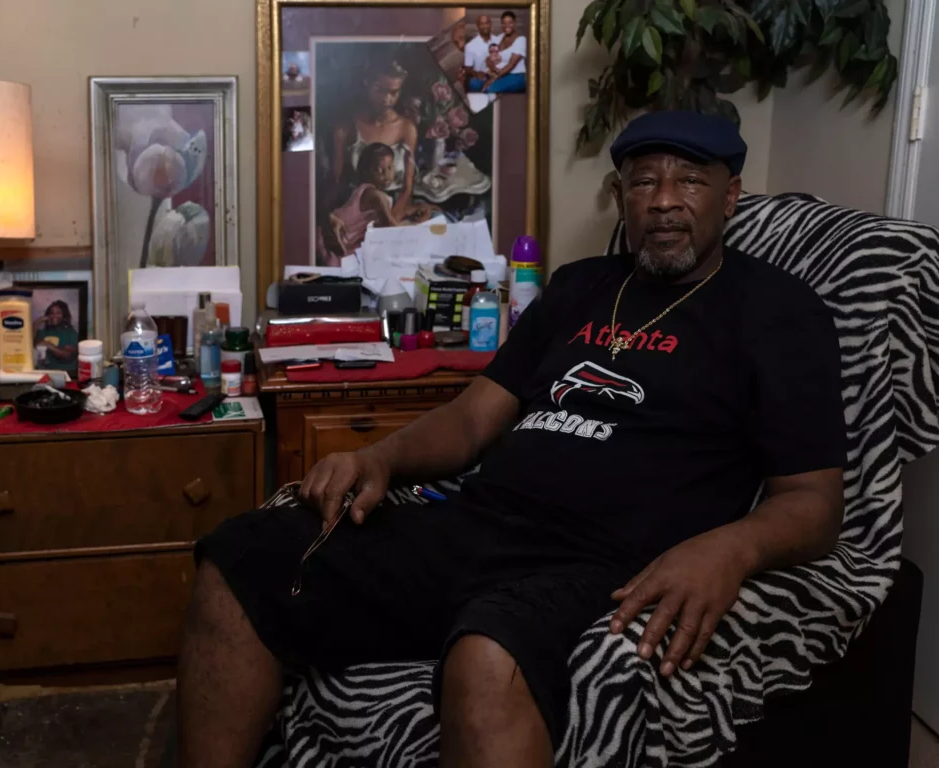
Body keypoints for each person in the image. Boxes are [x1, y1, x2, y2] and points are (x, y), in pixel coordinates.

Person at [178, 111, 847, 768]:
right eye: (644, 181)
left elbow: (814, 504)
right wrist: (380, 457)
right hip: (479, 525)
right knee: (241, 560)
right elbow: (471, 420)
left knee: (489, 658)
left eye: (691, 180)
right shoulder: (578, 287)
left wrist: (730, 549)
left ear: (731, 195)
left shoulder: (778, 312)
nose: (665, 201)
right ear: (621, 198)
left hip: (606, 562)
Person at [323, 59, 418, 261]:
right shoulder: (346, 127)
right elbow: (336, 182)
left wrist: (391, 221)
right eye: (380, 90)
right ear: (367, 83)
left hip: (393, 209)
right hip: (358, 209)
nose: (387, 99)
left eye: (394, 92)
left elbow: (407, 188)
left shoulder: (406, 128)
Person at [317, 143, 439, 263]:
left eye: (390, 168)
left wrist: (418, 209)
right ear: (366, 172)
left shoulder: (366, 190)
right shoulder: (376, 196)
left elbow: (388, 219)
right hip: (337, 244)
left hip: (346, 239)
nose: (386, 175)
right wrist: (417, 223)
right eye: (379, 170)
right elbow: (391, 228)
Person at [481, 11, 527, 94]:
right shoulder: (499, 37)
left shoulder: (521, 40)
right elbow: (488, 58)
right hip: (498, 74)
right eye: (504, 23)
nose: (507, 26)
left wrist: (493, 79)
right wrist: (492, 68)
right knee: (474, 83)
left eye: (510, 23)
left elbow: (511, 64)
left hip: (515, 76)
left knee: (490, 89)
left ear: (514, 23)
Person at [33, 300, 78, 375]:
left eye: (58, 313)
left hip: (64, 375)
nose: (54, 316)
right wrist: (37, 322)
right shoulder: (43, 332)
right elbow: (27, 346)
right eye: (51, 313)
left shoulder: (70, 332)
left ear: (64, 316)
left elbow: (67, 355)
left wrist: (49, 346)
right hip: (42, 375)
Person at [464, 14, 503, 92]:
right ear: (477, 25)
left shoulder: (498, 40)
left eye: (487, 23)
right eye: (482, 24)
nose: (485, 26)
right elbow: (468, 69)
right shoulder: (470, 46)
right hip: (481, 77)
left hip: (498, 75)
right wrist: (476, 74)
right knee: (474, 83)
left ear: (490, 24)